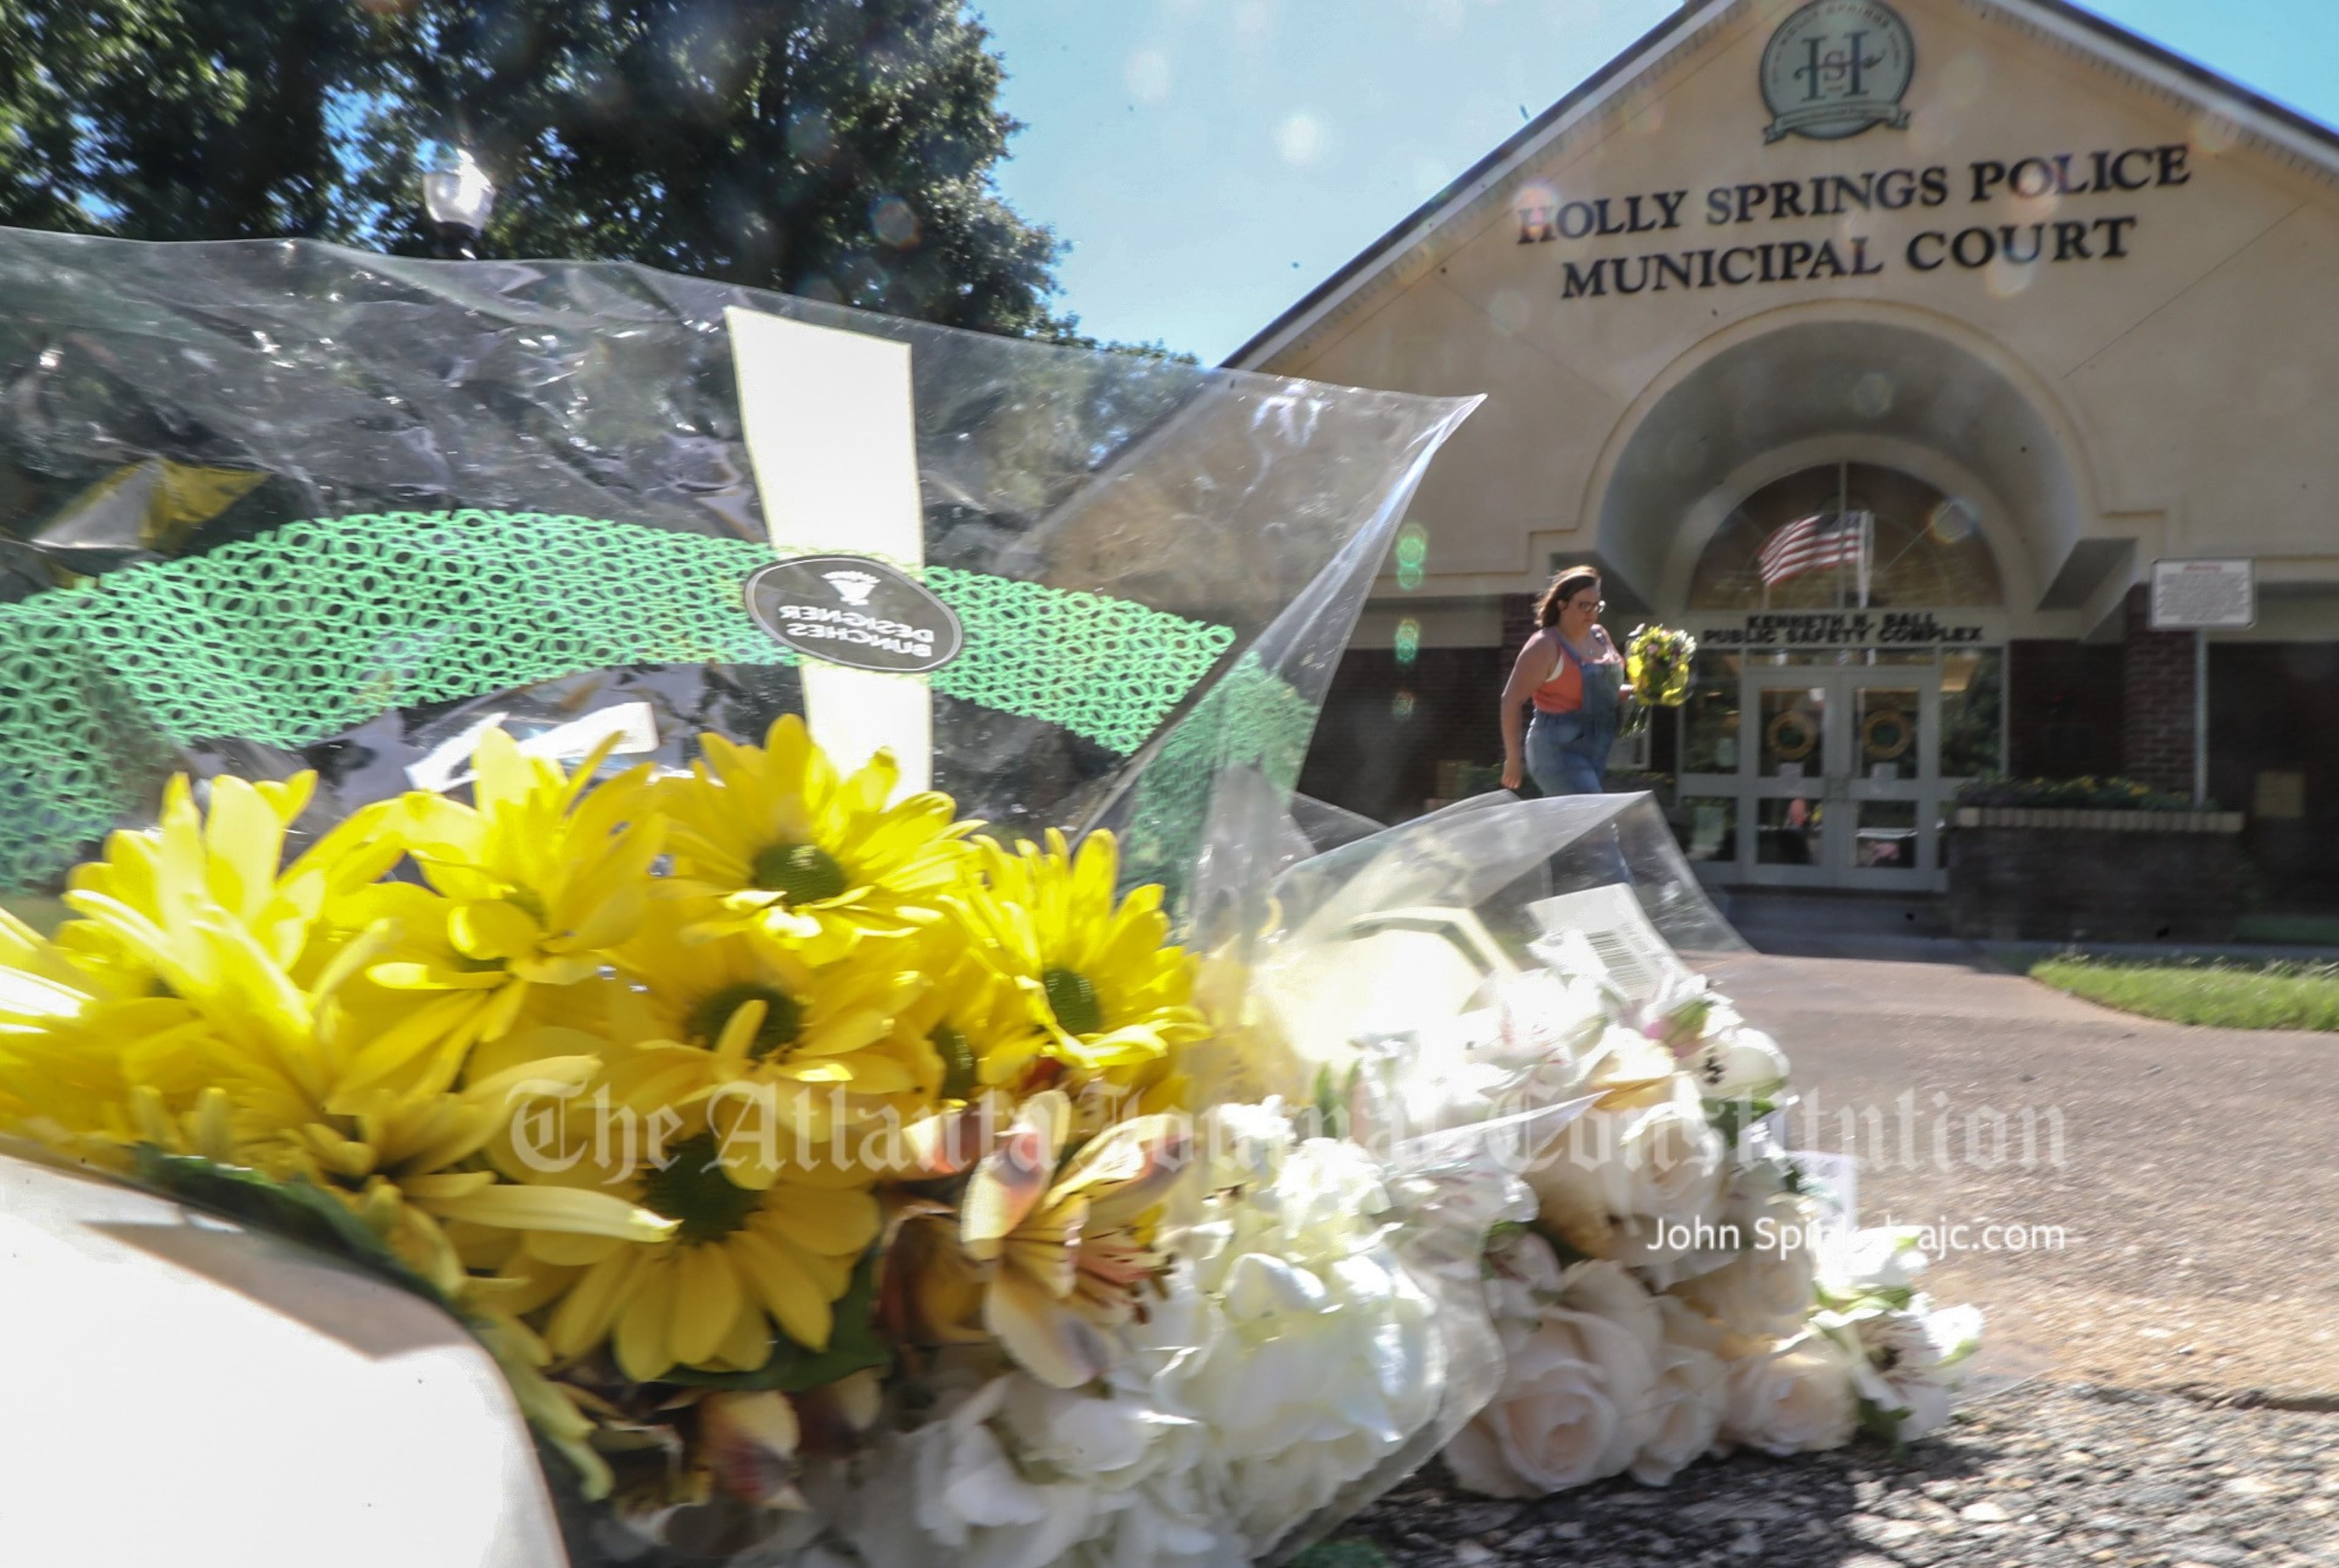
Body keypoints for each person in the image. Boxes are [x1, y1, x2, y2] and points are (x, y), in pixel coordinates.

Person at [1500, 565, 1627, 796]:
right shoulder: (1545, 645)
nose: (1591, 612)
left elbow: (1606, 691)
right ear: (1562, 604)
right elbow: (1511, 700)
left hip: (1596, 751)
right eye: (1583, 606)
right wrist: (1513, 759)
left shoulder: (1600, 636)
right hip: (1557, 753)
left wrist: (1644, 689)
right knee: (1596, 824)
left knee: (1580, 827)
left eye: (1596, 606)